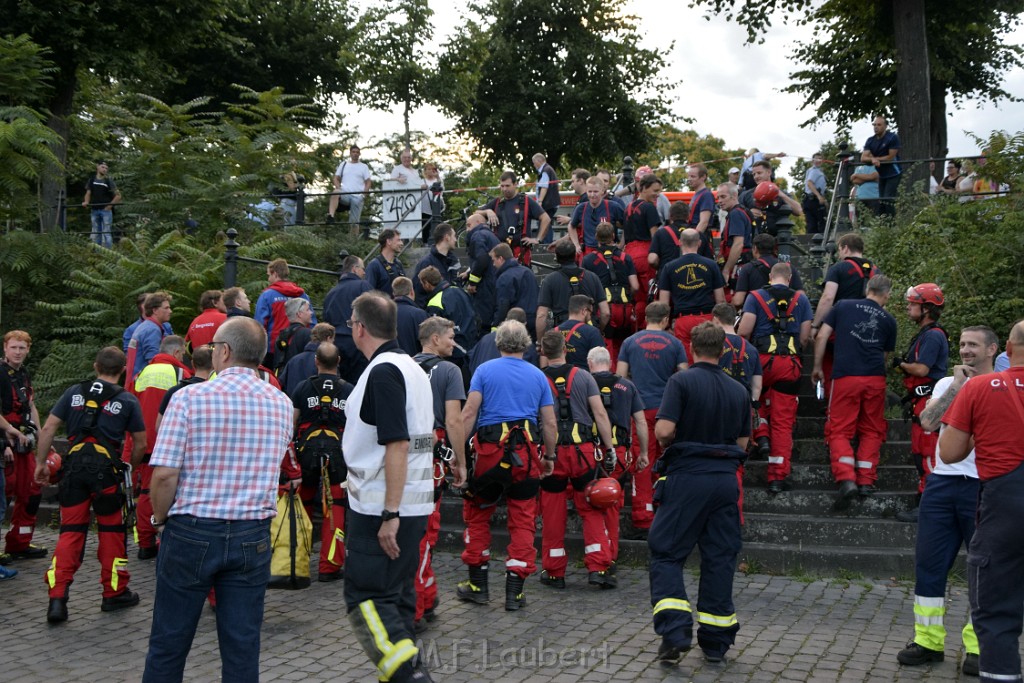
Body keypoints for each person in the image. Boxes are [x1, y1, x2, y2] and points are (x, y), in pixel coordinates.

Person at [142, 317, 293, 683]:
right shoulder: (281, 403)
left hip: (191, 529)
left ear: (223, 351)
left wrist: (159, 520)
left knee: (169, 640)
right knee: (242, 644)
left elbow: (163, 474)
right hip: (252, 534)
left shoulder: (189, 398)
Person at [341, 291, 435, 682]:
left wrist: (389, 514)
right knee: (397, 600)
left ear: (360, 328)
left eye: (350, 323)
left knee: (365, 598)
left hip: (380, 508)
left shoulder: (383, 372)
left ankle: (411, 677)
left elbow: (395, 442)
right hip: (413, 505)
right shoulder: (413, 369)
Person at [895, 325, 997, 676]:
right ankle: (927, 641)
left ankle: (978, 647)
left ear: (993, 349)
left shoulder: (1001, 386)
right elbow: (926, 422)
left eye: (974, 345)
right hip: (941, 485)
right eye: (963, 344)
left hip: (983, 486)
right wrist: (956, 386)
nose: (966, 350)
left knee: (983, 569)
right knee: (929, 564)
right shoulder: (944, 384)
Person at [649, 321, 750, 665]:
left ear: (692, 348)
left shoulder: (681, 381)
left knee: (666, 553)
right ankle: (716, 641)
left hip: (688, 476)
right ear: (724, 350)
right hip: (725, 481)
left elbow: (663, 431)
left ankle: (676, 631)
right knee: (720, 557)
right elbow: (742, 443)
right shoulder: (738, 391)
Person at [938, 319, 1024, 683]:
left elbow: (950, 451)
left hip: (1006, 503)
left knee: (997, 608)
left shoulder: (981, 387)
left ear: (1005, 348)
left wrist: (983, 431)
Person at [33, 346, 146, 623]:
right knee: (111, 533)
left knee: (70, 532)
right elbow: (141, 443)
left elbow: (48, 429)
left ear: (96, 366)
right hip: (106, 475)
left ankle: (57, 599)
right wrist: (126, 466)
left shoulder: (74, 393)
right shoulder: (128, 400)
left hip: (73, 471)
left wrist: (40, 463)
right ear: (122, 370)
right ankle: (114, 592)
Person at [458, 320, 557, 611]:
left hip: (490, 452)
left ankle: (478, 585)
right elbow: (549, 422)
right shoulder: (538, 376)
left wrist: (459, 457)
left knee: (477, 514)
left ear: (498, 342)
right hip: (526, 455)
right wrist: (549, 457)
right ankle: (514, 592)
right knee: (524, 518)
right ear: (526, 344)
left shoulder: (484, 371)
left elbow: (469, 413)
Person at [536, 330, 617, 591]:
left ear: (543, 352)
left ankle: (554, 571)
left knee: (552, 511)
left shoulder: (537, 379)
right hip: (582, 453)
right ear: (566, 349)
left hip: (552, 452)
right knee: (592, 507)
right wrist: (610, 449)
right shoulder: (583, 376)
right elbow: (600, 414)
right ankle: (599, 567)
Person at [811, 275, 897, 509]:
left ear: (867, 288)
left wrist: (818, 367)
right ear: (886, 294)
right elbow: (884, 357)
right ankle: (866, 480)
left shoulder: (843, 306)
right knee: (872, 429)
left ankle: (846, 478)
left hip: (846, 376)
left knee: (839, 429)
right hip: (875, 378)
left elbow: (821, 336)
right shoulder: (889, 320)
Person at [412, 317, 468, 632]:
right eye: (449, 336)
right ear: (434, 339)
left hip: (401, 454)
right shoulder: (449, 371)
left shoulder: (401, 365)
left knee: (414, 525)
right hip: (431, 456)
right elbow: (454, 420)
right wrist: (460, 461)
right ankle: (416, 603)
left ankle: (427, 594)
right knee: (425, 528)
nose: (453, 342)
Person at [738, 262, 812, 493]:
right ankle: (777, 477)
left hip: (760, 361)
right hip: (788, 365)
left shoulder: (756, 297)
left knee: (755, 401)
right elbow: (805, 337)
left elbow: (744, 331)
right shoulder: (802, 299)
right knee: (782, 421)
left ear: (771, 276)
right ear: (789, 279)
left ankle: (761, 436)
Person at [615, 302, 688, 538]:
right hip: (667, 410)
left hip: (640, 409)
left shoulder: (629, 342)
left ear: (646, 317)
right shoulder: (675, 343)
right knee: (666, 460)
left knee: (642, 462)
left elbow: (620, 379)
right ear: (666, 319)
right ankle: (665, 509)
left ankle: (643, 518)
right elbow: (685, 377)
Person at [290, 343, 352, 583]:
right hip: (337, 456)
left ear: (316, 361)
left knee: (302, 505)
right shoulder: (349, 390)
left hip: (306, 454)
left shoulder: (302, 388)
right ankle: (330, 566)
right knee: (334, 508)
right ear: (339, 360)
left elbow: (291, 424)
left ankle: (298, 561)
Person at [128, 335, 193, 559]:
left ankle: (145, 542)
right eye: (183, 353)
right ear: (176, 353)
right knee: (164, 491)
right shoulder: (181, 374)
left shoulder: (141, 374)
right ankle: (161, 538)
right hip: (166, 441)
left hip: (141, 441)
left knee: (146, 491)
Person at [585, 346, 648, 566]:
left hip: (590, 451)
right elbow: (640, 421)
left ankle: (596, 554)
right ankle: (610, 554)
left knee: (589, 505)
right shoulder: (627, 385)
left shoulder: (584, 383)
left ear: (590, 363)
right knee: (611, 503)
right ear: (610, 363)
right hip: (620, 454)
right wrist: (644, 453)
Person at [895, 283, 948, 522]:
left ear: (926, 308)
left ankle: (929, 506)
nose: (908, 308)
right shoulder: (927, 334)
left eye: (912, 304)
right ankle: (924, 502)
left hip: (928, 400)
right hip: (921, 400)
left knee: (927, 453)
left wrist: (902, 364)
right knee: (919, 452)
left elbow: (922, 368)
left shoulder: (934, 336)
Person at [810, 233, 878, 403]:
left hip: (840, 328)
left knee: (831, 365)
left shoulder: (838, 269)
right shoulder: (876, 272)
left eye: (839, 250)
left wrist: (816, 325)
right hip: (868, 329)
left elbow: (827, 298)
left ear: (845, 248)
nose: (839, 254)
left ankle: (830, 402)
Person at [1, 330, 45, 563]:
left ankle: (19, 543)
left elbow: (30, 405)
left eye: (22, 348)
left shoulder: (23, 374)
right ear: (5, 348)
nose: (18, 352)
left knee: (32, 492)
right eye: (14, 347)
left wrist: (42, 434)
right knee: (3, 495)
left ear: (28, 349)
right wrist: (8, 434)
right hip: (6, 444)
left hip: (24, 442)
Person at [657, 228, 726, 364]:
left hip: (683, 320)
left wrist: (665, 324)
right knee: (709, 357)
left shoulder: (669, 267)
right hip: (707, 319)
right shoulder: (711, 265)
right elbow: (721, 299)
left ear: (680, 242)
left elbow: (663, 303)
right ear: (699, 243)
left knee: (685, 362)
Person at [581, 222, 639, 364]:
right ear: (613, 236)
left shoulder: (588, 260)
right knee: (624, 345)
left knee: (607, 346)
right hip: (625, 310)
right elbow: (636, 286)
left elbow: (585, 289)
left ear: (596, 237)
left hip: (604, 310)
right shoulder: (626, 257)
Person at [475, 171, 551, 266]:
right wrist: (487, 211)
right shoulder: (497, 202)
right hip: (500, 254)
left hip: (520, 253)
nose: (504, 189)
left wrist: (538, 239)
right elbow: (475, 214)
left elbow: (546, 218)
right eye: (502, 186)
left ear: (515, 184)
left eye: (507, 186)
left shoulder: (526, 201)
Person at [536, 238, 609, 337]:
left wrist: (540, 342)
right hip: (590, 333)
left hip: (562, 336)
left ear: (556, 257)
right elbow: (605, 313)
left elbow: (541, 315)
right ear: (575, 255)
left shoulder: (549, 280)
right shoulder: (593, 277)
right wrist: (598, 331)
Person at [419, 266, 478, 375]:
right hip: (472, 345)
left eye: (422, 284)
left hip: (453, 352)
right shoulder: (459, 290)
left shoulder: (435, 302)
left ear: (427, 283)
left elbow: (435, 332)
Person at [254, 259, 315, 363]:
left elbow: (260, 324)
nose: (268, 279)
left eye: (269, 275)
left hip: (274, 348)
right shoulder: (302, 295)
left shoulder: (267, 296)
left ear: (275, 274)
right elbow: (312, 321)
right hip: (301, 346)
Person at [323, 255, 373, 383]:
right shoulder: (363, 286)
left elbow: (326, 320)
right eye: (362, 268)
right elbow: (373, 313)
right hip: (357, 342)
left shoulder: (331, 293)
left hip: (335, 343)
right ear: (354, 269)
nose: (364, 272)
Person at [622, 174, 663, 326]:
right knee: (647, 296)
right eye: (655, 190)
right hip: (645, 253)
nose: (657, 194)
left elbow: (624, 236)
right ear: (643, 188)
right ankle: (648, 329)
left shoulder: (628, 207)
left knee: (635, 297)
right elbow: (655, 236)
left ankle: (635, 328)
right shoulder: (649, 208)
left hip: (629, 253)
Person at [731, 233, 805, 309]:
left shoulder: (747, 268)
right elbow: (801, 296)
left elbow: (738, 301)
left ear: (755, 249)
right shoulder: (788, 267)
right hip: (786, 316)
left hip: (757, 316)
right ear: (774, 249)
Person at [739, 160, 803, 236]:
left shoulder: (781, 193)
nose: (756, 177)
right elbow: (735, 214)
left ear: (769, 172)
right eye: (754, 174)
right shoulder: (746, 195)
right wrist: (748, 213)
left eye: (759, 173)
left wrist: (781, 194)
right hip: (754, 239)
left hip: (777, 239)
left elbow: (798, 211)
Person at [468, 308, 539, 373]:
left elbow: (470, 356)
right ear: (524, 324)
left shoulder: (485, 339)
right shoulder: (525, 344)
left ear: (505, 320)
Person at [490, 243, 539, 336]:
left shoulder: (504, 277)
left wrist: (496, 326)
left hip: (515, 324)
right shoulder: (527, 272)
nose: (493, 264)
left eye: (494, 260)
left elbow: (502, 305)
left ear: (500, 258)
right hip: (533, 320)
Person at [568, 176, 626, 254]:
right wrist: (576, 245)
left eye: (595, 191)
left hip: (608, 252)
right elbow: (571, 226)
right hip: (588, 252)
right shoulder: (581, 208)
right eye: (589, 191)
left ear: (602, 191)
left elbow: (627, 225)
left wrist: (621, 245)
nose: (592, 195)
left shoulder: (613, 206)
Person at [464, 212, 500, 335]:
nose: (467, 230)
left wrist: (472, 282)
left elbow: (482, 259)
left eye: (469, 225)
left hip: (485, 287)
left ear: (478, 223)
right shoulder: (492, 237)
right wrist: (469, 273)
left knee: (483, 323)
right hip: (494, 283)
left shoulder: (477, 235)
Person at [126, 292, 173, 384]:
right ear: (155, 310)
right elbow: (154, 362)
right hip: (142, 384)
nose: (170, 311)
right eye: (166, 308)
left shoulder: (145, 326)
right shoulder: (152, 330)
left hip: (134, 383)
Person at [716, 182, 753, 296]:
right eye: (718, 198)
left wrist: (726, 270)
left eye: (723, 197)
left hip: (738, 266)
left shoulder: (735, 214)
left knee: (732, 300)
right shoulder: (743, 212)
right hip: (744, 264)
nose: (719, 201)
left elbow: (738, 244)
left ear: (734, 196)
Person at [278, 322, 336, 396]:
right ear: (328, 338)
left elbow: (281, 383)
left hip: (294, 403)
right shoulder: (327, 360)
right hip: (317, 404)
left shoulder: (293, 360)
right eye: (333, 340)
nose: (333, 343)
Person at [412, 223, 461, 307]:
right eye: (454, 236)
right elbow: (419, 293)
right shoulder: (426, 263)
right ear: (447, 237)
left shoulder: (453, 261)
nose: (456, 240)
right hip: (434, 313)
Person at [861, 116, 901, 216]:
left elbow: (890, 157)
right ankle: (883, 226)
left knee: (888, 199)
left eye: (879, 125)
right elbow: (863, 158)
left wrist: (876, 159)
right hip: (882, 174)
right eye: (874, 125)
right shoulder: (870, 140)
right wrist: (872, 159)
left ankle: (892, 225)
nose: (876, 127)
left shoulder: (892, 137)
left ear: (885, 126)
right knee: (881, 202)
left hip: (894, 173)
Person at [553, 295, 606, 370]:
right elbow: (600, 363)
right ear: (584, 311)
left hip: (557, 378)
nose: (590, 317)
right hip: (584, 379)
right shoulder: (592, 332)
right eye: (590, 313)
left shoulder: (553, 332)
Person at [328, 144, 373, 231]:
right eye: (353, 152)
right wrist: (338, 187)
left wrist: (364, 195)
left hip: (358, 196)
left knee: (354, 223)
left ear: (359, 154)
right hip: (345, 193)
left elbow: (368, 182)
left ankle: (353, 242)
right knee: (335, 192)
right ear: (350, 153)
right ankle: (331, 216)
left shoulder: (363, 167)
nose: (355, 154)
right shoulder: (344, 164)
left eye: (357, 152)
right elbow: (336, 178)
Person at [82, 160, 122, 248]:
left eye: (106, 168)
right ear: (97, 167)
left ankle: (109, 253)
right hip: (94, 209)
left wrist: (109, 206)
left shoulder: (108, 181)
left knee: (106, 232)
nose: (104, 169)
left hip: (106, 210)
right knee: (96, 232)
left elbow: (118, 195)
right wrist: (86, 202)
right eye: (103, 167)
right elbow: (88, 193)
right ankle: (97, 252)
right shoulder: (92, 180)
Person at [272, 297, 313, 372]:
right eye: (308, 310)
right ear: (299, 314)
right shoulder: (307, 334)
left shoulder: (281, 335)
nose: (311, 312)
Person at [685, 164, 717, 259]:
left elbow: (704, 222)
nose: (689, 179)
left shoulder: (706, 195)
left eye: (693, 176)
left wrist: (691, 242)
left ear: (703, 177)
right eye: (689, 176)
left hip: (699, 238)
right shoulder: (698, 194)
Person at [365, 228, 406, 296]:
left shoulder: (398, 264)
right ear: (389, 241)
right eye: (398, 240)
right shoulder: (374, 265)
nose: (401, 243)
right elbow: (369, 294)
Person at [393, 277, 427, 356]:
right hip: (415, 363)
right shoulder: (419, 314)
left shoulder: (383, 314)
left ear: (394, 293)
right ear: (412, 292)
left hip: (390, 365)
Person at [532, 153, 561, 243]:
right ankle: (547, 243)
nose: (534, 165)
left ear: (539, 161)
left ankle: (546, 245)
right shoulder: (548, 169)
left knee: (544, 223)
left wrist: (539, 201)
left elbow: (544, 187)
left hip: (548, 204)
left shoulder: (545, 171)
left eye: (534, 162)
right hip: (552, 203)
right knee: (546, 223)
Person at [802, 153, 828, 233]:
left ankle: (811, 243)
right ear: (813, 160)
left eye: (820, 159)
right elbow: (809, 183)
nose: (818, 160)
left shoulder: (812, 170)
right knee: (820, 224)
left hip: (809, 200)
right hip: (814, 200)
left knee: (811, 224)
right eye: (816, 159)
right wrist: (819, 196)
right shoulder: (815, 171)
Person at [420, 162, 445, 244]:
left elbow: (442, 190)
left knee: (436, 225)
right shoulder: (422, 181)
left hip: (436, 207)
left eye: (432, 169)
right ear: (425, 171)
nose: (430, 171)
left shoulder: (438, 180)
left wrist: (437, 176)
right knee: (425, 225)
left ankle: (436, 242)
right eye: (429, 169)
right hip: (425, 207)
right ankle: (425, 243)